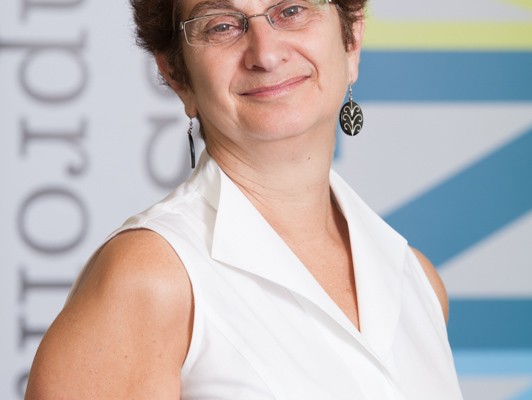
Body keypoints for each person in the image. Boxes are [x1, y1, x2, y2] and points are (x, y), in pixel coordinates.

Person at [25, 0, 463, 398]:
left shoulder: (417, 282)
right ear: (177, 75)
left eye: (292, 10)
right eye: (221, 26)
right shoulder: (150, 279)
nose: (266, 54)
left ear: (352, 39)